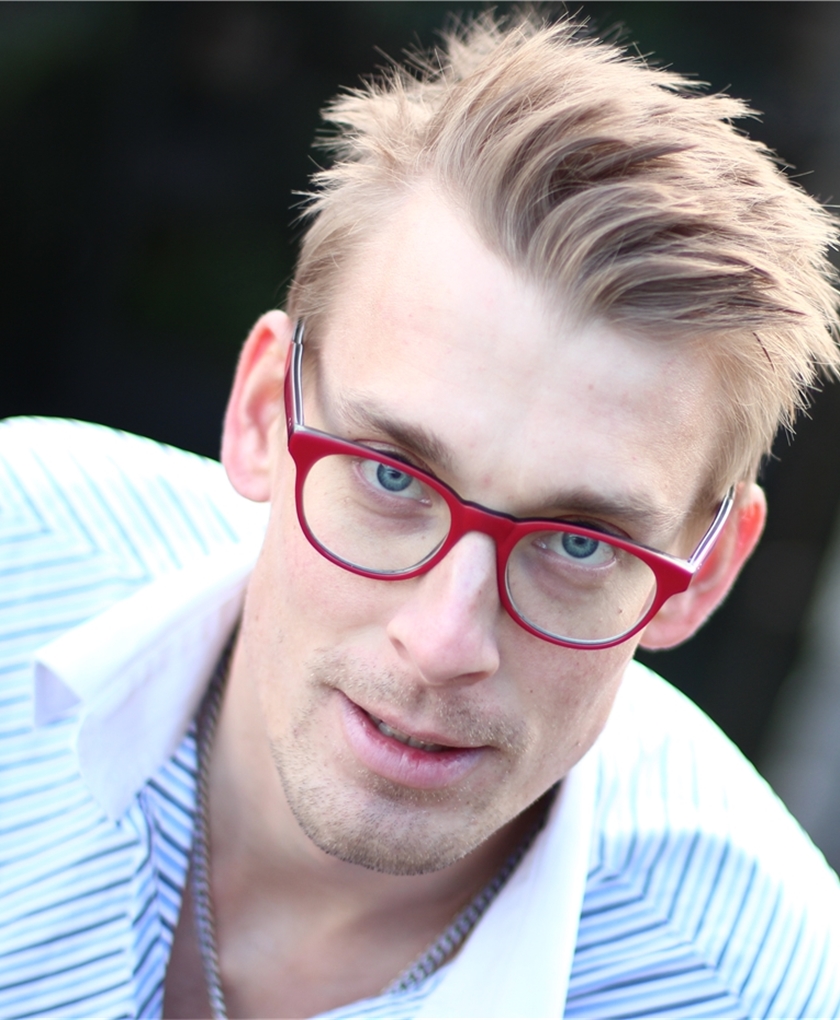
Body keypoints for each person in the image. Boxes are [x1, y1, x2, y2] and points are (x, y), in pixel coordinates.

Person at [2, 11, 840, 1019]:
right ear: (264, 413)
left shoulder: (765, 995)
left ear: (700, 575)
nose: (445, 642)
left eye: (577, 543)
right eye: (391, 477)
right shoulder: (15, 553)